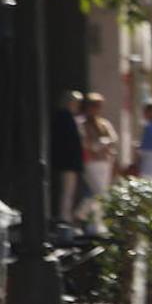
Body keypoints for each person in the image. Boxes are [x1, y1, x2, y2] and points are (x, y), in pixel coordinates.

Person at [78, 92, 118, 231]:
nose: (96, 109)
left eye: (98, 106)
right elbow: (84, 143)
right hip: (90, 163)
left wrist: (105, 144)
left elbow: (113, 139)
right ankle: (80, 214)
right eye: (93, 106)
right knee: (99, 193)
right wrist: (96, 146)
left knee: (100, 195)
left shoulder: (104, 124)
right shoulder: (82, 123)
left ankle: (95, 223)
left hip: (104, 163)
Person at [50, 90, 84, 224]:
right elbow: (68, 142)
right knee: (67, 190)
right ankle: (65, 216)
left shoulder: (69, 117)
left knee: (69, 190)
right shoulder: (65, 117)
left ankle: (67, 215)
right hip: (68, 161)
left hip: (69, 161)